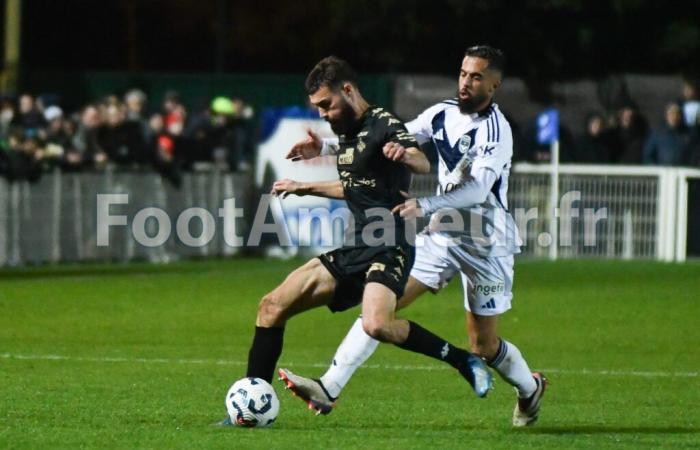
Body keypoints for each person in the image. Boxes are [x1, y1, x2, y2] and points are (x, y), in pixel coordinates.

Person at [279, 46, 547, 427]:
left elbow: (476, 192)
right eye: (462, 73)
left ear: (495, 83)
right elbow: (393, 137)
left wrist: (425, 205)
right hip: (442, 235)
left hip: (486, 241)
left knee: (483, 346)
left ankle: (529, 389)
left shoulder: (495, 130)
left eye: (476, 77)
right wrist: (324, 146)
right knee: (381, 304)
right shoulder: (441, 113)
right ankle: (329, 386)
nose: (466, 82)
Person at [238, 56, 493, 424]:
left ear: (347, 90)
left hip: (391, 244)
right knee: (271, 306)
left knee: (376, 324)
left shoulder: (384, 124)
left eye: (326, 104)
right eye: (317, 107)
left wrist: (406, 154)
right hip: (356, 245)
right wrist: (303, 184)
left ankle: (462, 360)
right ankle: (251, 403)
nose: (323, 113)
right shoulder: (346, 130)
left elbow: (422, 161)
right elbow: (356, 187)